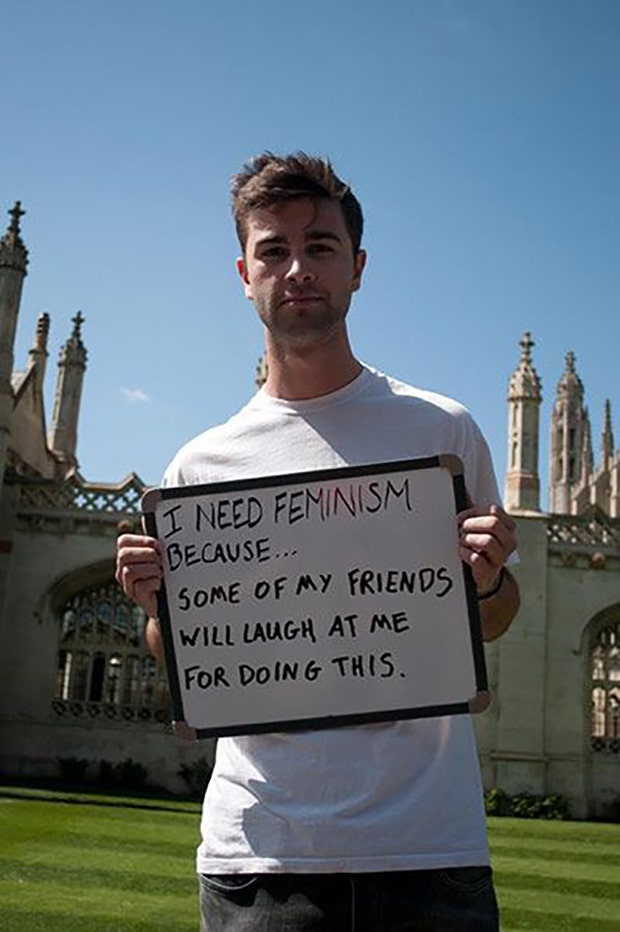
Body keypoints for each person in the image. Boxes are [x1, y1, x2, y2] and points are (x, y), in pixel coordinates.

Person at [116, 152, 519, 931]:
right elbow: (185, 659)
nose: (297, 268)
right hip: (261, 856)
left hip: (427, 852)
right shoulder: (198, 468)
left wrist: (489, 579)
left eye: (320, 247)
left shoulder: (441, 432)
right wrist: (157, 607)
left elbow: (495, 619)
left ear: (357, 267)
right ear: (245, 274)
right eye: (273, 250)